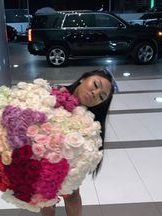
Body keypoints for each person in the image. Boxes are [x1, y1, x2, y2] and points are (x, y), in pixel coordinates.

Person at [40, 68, 118, 216]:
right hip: (43, 160)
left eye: (102, 96)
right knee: (45, 197)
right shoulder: (52, 95)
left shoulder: (89, 119)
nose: (95, 93)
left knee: (72, 194)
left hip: (68, 165)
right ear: (84, 78)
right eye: (95, 85)